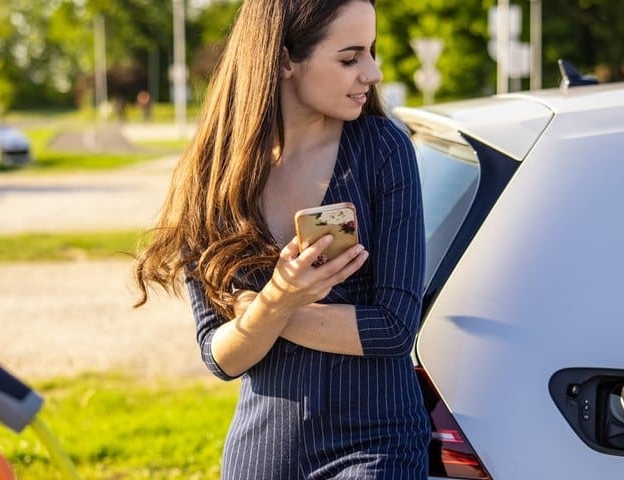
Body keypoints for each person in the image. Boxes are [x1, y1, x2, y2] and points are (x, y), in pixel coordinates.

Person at [132, 0, 427, 478]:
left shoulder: (383, 149)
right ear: (284, 59)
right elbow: (220, 356)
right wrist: (276, 300)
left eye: (372, 52)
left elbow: (393, 328)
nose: (372, 73)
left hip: (377, 445)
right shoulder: (213, 179)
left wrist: (269, 313)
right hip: (263, 453)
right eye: (350, 58)